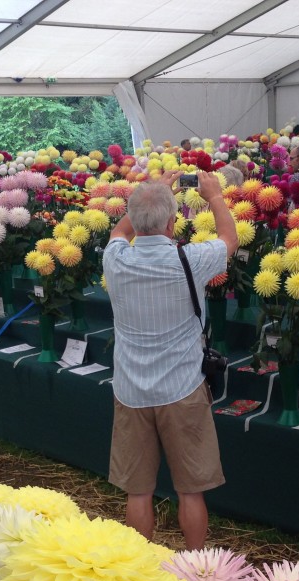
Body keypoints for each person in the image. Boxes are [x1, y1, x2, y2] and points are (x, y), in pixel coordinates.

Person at [103, 170, 238, 549]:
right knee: (191, 491)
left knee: (138, 492)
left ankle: (140, 570)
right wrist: (213, 196)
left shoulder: (115, 259)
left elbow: (118, 233)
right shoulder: (190, 260)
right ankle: (196, 567)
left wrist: (149, 191)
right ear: (172, 222)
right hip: (182, 388)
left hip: (131, 390)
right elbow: (230, 239)